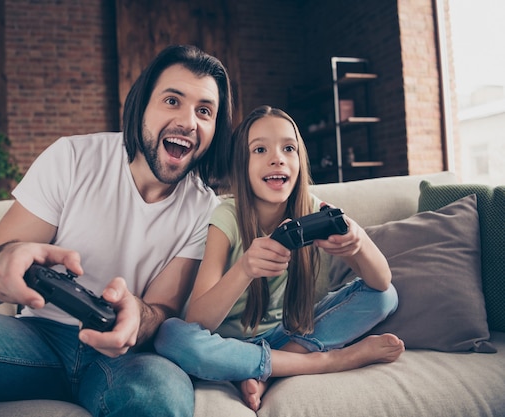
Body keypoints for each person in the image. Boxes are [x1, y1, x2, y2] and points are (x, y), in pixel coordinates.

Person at [0, 44, 233, 417]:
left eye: (204, 111)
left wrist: (136, 317)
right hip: (37, 338)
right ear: (142, 105)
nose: (189, 122)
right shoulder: (72, 159)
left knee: (158, 393)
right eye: (173, 101)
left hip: (124, 360)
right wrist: (1, 263)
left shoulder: (206, 210)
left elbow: (162, 309)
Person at [154, 105, 405, 411]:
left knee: (385, 297)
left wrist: (359, 244)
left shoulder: (314, 210)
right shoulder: (226, 217)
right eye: (260, 149)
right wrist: (244, 269)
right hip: (228, 344)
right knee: (171, 336)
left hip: (286, 335)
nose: (277, 158)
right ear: (242, 164)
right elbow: (198, 320)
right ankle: (326, 362)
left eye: (288, 148)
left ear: (299, 160)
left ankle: (266, 369)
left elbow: (381, 284)